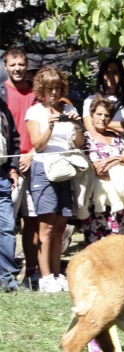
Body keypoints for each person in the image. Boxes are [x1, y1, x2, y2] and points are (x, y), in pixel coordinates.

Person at [25, 65, 85, 293]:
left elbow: (79, 143)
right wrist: (50, 126)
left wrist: (76, 124)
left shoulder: (68, 108)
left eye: (57, 88)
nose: (53, 93)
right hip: (44, 170)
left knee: (61, 226)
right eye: (49, 88)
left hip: (65, 169)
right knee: (46, 227)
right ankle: (45, 276)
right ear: (41, 89)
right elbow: (38, 145)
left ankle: (57, 273)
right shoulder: (35, 112)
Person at [2, 46, 39, 288]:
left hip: (35, 161)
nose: (17, 68)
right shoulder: (1, 94)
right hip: (9, 166)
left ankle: (31, 274)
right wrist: (13, 165)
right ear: (5, 66)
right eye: (13, 64)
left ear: (27, 67)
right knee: (6, 224)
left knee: (33, 222)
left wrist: (33, 154)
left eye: (21, 64)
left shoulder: (37, 94)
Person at [82, 95, 124, 246]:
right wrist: (119, 161)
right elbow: (99, 169)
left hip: (120, 201)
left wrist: (114, 160)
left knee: (121, 246)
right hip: (98, 201)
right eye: (99, 114)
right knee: (99, 249)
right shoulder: (85, 140)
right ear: (91, 115)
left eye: (106, 115)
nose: (102, 118)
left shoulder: (116, 138)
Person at [82, 57, 124, 138]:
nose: (111, 76)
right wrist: (121, 128)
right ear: (102, 75)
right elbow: (89, 126)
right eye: (107, 72)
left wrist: (101, 124)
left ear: (120, 75)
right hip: (101, 146)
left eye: (115, 72)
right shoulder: (91, 100)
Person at [0, 94, 22, 291]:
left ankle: (8, 279)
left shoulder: (3, 108)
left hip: (1, 176)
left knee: (7, 229)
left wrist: (12, 167)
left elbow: (14, 139)